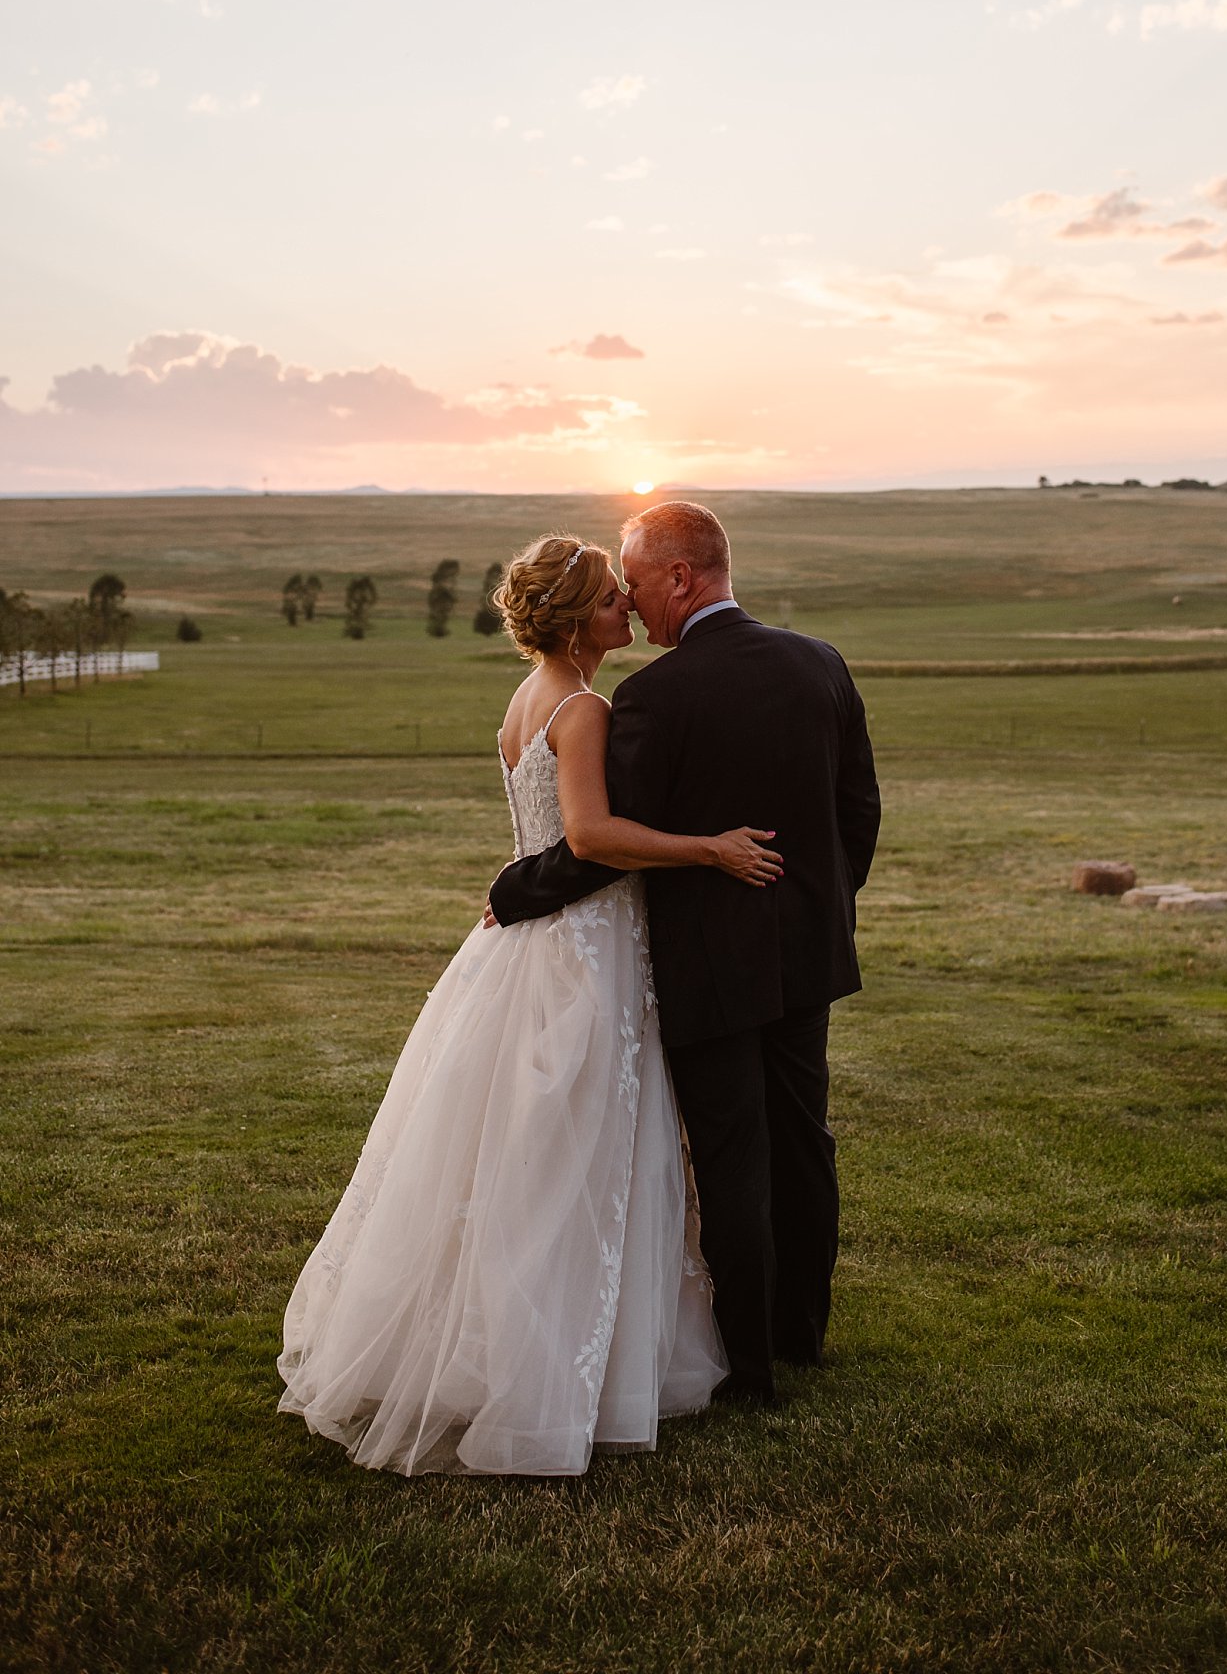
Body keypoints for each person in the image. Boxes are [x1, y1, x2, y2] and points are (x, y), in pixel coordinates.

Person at [277, 533, 782, 1476]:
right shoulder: (585, 706)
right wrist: (708, 847)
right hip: (586, 954)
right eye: (607, 602)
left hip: (523, 949)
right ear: (572, 617)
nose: (624, 612)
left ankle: (507, 1355)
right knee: (576, 1158)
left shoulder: (523, 699)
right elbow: (589, 837)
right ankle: (557, 1378)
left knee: (515, 1153)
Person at [489, 502, 881, 1403]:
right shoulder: (819, 662)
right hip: (807, 959)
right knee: (801, 1141)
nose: (628, 599)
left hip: (708, 961)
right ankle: (799, 1336)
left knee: (730, 1155)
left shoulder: (652, 697)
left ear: (679, 577)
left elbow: (604, 842)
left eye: (635, 581)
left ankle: (747, 1367)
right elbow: (855, 812)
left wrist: (515, 891)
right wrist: (813, 911)